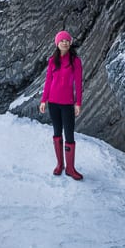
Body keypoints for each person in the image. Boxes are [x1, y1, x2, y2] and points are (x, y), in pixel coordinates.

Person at [39, 30, 84, 180]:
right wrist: (43, 100)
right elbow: (48, 82)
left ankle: (70, 168)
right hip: (53, 102)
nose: (64, 42)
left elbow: (78, 83)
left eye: (66, 40)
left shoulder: (75, 61)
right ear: (57, 44)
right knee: (57, 133)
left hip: (67, 104)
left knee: (69, 134)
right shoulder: (53, 60)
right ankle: (60, 165)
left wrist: (78, 103)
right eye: (61, 40)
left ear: (70, 43)